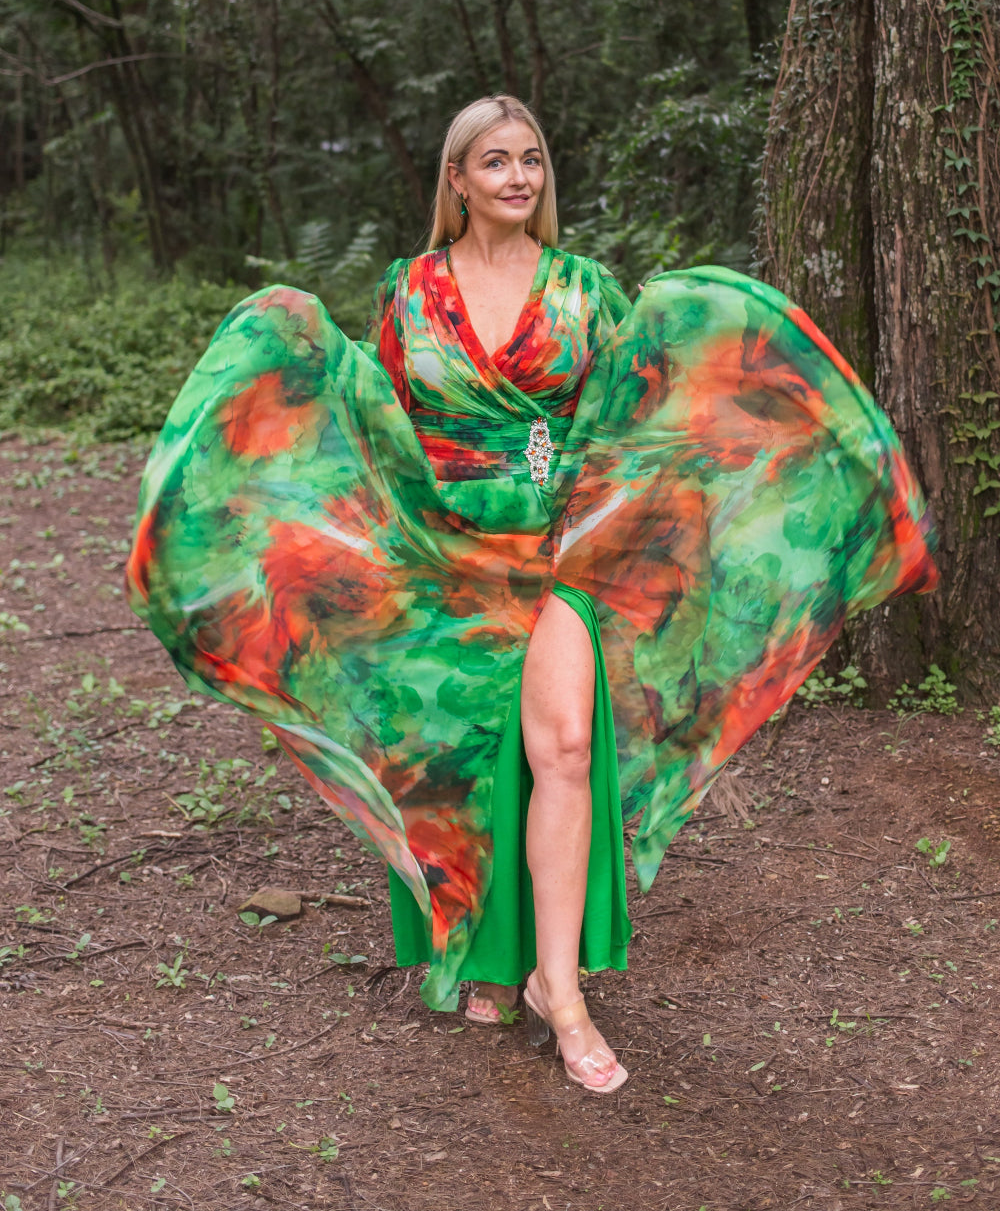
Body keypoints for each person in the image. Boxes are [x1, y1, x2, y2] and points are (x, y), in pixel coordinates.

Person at [127, 95, 937, 1096]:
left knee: (562, 747)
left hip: (560, 547)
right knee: (463, 756)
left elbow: (628, 414)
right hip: (446, 548)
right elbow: (383, 426)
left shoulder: (584, 289)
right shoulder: (410, 291)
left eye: (531, 160)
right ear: (458, 180)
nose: (518, 177)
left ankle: (562, 987)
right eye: (495, 162)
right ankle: (485, 955)